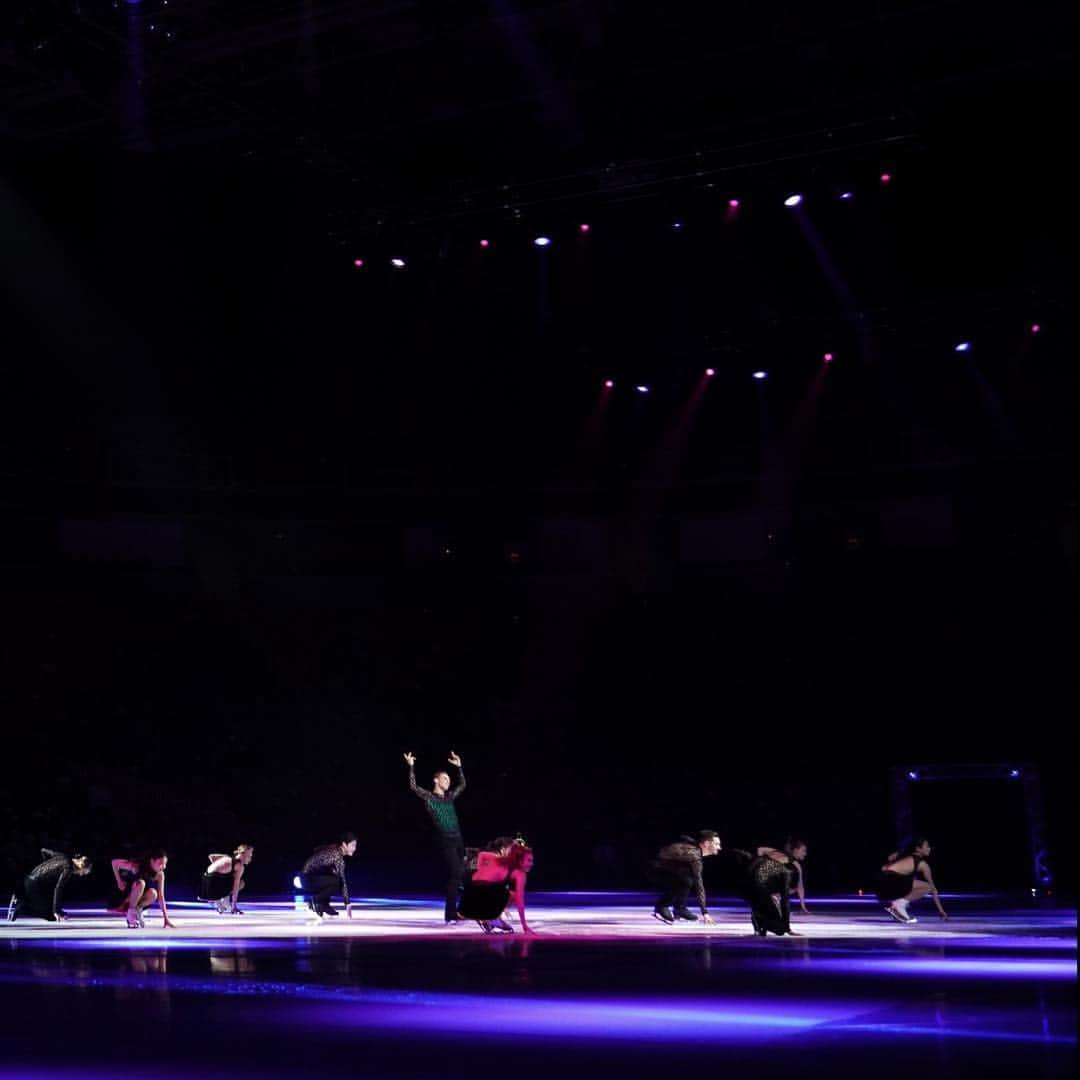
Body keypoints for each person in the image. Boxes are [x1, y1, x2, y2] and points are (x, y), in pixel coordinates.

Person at [404, 751, 468, 924]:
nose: (448, 782)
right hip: (445, 840)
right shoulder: (429, 797)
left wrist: (459, 767)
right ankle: (450, 914)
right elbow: (413, 786)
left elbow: (462, 785)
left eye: (448, 779)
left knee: (460, 875)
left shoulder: (449, 797)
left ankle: (457, 911)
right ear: (436, 780)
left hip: (458, 839)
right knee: (455, 873)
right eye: (445, 779)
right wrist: (411, 766)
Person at [650, 831, 722, 925]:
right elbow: (698, 884)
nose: (719, 848)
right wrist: (704, 912)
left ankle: (679, 908)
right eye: (716, 844)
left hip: (660, 869)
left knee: (686, 877)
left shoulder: (693, 852)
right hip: (654, 870)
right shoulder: (694, 856)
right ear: (707, 843)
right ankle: (662, 906)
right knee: (686, 879)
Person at [876, 837, 949, 924]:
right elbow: (933, 889)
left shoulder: (903, 855)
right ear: (918, 849)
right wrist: (941, 911)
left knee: (909, 883)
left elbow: (884, 867)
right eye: (927, 846)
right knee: (927, 887)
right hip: (890, 882)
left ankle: (897, 908)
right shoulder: (923, 865)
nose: (929, 848)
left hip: (881, 884)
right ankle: (899, 905)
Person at [7, 849, 92, 922]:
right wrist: (55, 911)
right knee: (50, 916)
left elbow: (43, 850)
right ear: (81, 866)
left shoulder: (63, 856)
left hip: (30, 879)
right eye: (83, 872)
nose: (81, 875)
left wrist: (45, 867)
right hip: (34, 885)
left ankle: (25, 898)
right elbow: (58, 889)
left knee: (50, 890)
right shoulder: (68, 869)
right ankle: (22, 906)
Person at [110, 849, 175, 929]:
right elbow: (114, 863)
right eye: (160, 863)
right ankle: (131, 915)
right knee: (141, 883)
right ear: (152, 861)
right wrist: (119, 881)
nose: (163, 867)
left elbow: (161, 897)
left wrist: (166, 919)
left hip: (138, 899)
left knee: (154, 893)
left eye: (165, 864)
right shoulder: (137, 866)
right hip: (125, 898)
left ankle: (137, 910)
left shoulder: (160, 875)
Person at [743, 848, 800, 935]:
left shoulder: (781, 864)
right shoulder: (785, 873)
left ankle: (760, 929)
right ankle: (760, 928)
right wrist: (787, 928)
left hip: (754, 876)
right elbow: (785, 902)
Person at [301, 833, 357, 918]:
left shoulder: (334, 850)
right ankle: (315, 900)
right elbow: (342, 882)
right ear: (344, 844)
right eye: (352, 845)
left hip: (309, 878)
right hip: (308, 878)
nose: (354, 849)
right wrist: (347, 903)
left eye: (355, 846)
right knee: (337, 882)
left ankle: (324, 905)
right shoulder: (337, 856)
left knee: (333, 877)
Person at [756, 839, 809, 913]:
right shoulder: (792, 862)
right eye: (803, 851)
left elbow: (800, 887)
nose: (805, 853)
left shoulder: (796, 865)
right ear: (796, 850)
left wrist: (803, 906)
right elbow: (760, 849)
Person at [198, 844, 254, 914]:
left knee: (227, 877)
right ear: (243, 854)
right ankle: (217, 900)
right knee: (241, 883)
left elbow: (211, 856)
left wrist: (219, 868)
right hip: (211, 889)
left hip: (204, 885)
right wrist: (234, 906)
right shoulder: (239, 866)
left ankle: (217, 901)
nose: (250, 857)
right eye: (249, 855)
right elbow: (235, 887)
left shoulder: (227, 858)